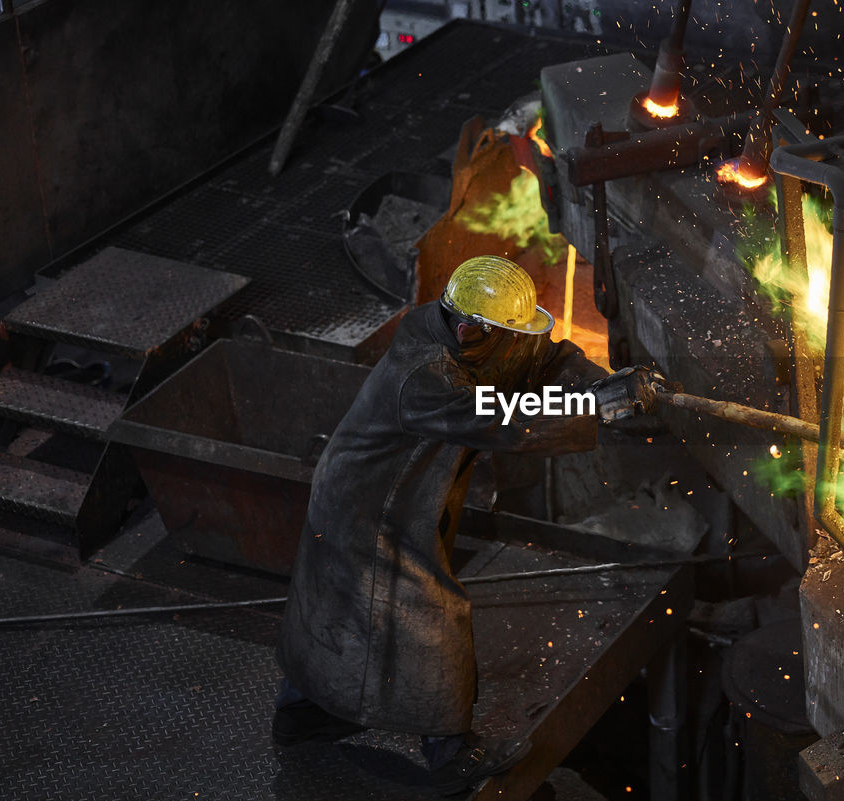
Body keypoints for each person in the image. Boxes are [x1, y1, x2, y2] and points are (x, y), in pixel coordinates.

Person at [273, 255, 665, 794]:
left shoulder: (471, 335)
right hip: (363, 507)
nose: (518, 344)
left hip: (395, 497)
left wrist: (604, 386)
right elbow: (501, 415)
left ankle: (304, 714)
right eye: (507, 335)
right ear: (468, 329)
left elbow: (545, 360)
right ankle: (450, 753)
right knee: (429, 613)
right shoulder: (426, 374)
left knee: (344, 606)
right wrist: (591, 407)